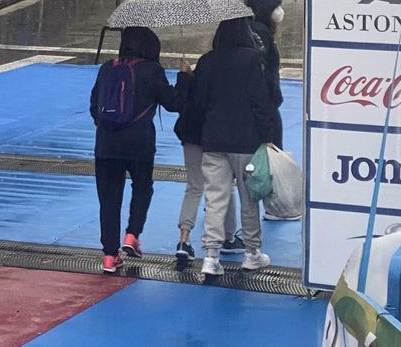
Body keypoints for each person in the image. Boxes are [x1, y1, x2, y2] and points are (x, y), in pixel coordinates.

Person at [89, 27, 187, 274]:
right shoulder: (152, 70)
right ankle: (132, 235)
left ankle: (109, 256)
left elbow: (94, 106)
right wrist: (185, 77)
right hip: (139, 142)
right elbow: (174, 103)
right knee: (142, 187)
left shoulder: (107, 68)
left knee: (108, 200)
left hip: (106, 144)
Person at [191, 18, 278, 276]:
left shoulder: (206, 61)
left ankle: (211, 255)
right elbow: (260, 101)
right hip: (246, 141)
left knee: (215, 198)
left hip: (213, 140)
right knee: (249, 198)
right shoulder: (251, 60)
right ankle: (252, 253)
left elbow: (198, 102)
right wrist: (267, 133)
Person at [173, 72, 241, 261]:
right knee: (224, 185)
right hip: (214, 138)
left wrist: (183, 76)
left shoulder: (192, 81)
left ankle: (184, 240)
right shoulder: (224, 81)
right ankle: (228, 237)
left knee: (194, 187)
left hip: (190, 136)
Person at [245, 0, 285, 149]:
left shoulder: (252, 29)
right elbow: (266, 73)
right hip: (264, 106)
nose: (279, 12)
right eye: (275, 7)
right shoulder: (260, 32)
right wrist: (274, 98)